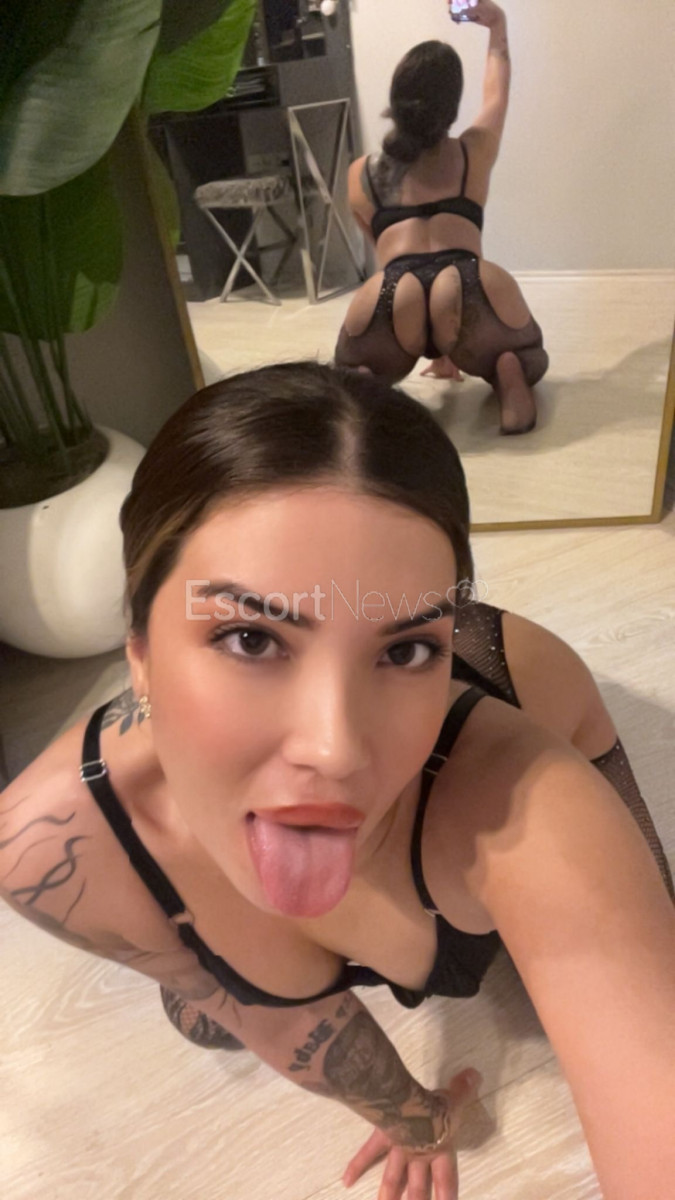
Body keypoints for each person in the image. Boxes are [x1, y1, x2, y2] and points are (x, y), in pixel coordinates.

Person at [1, 362, 674, 1200]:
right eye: (251, 638)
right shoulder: (42, 846)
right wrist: (417, 1120)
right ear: (138, 651)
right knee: (211, 1010)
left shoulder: (531, 805)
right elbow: (275, 1018)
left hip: (526, 695)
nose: (335, 749)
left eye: (407, 648)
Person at [336, 0, 549, 435]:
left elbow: (384, 256)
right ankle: (506, 369)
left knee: (347, 369)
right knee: (526, 353)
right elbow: (497, 92)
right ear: (450, 107)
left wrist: (427, 334)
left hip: (394, 294)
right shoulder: (473, 151)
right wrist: (497, 25)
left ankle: (364, 385)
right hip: (469, 284)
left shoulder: (361, 174)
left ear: (396, 100)